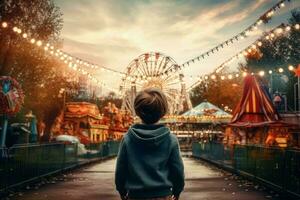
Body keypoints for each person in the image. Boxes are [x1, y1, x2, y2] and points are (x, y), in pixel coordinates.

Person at [115, 88, 185, 200]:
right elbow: (177, 170)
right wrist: (177, 191)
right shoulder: (171, 140)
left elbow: (121, 169)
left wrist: (122, 191)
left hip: (135, 195)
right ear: (163, 111)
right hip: (163, 195)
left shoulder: (128, 139)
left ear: (137, 111)